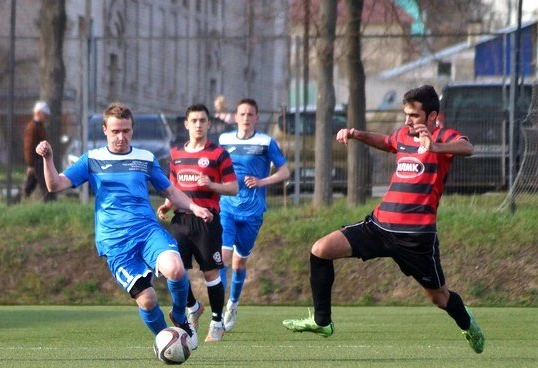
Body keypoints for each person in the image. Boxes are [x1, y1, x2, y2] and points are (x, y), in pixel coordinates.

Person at [282, 85, 485, 354]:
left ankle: (467, 323)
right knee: (320, 250)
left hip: (416, 238)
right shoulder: (403, 134)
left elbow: (467, 147)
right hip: (379, 227)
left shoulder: (443, 136)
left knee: (439, 297)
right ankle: (322, 322)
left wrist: (434, 146)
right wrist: (356, 134)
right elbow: (388, 142)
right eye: (406, 114)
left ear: (432, 116)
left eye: (414, 115)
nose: (407, 121)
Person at [36, 103, 214, 348]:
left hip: (147, 232)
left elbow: (170, 191)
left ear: (132, 129)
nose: (121, 137)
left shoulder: (144, 158)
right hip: (115, 242)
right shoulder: (93, 159)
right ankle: (168, 341)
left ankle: (180, 318)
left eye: (126, 131)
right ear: (105, 130)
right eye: (115, 131)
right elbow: (55, 185)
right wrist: (48, 159)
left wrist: (194, 207)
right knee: (148, 300)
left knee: (176, 269)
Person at [157, 104, 238, 342]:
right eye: (194, 120)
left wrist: (211, 185)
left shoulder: (218, 154)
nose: (198, 125)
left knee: (210, 272)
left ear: (209, 124)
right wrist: (167, 205)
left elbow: (234, 187)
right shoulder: (176, 154)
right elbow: (173, 186)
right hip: (181, 220)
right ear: (186, 124)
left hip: (207, 221)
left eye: (203, 120)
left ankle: (217, 322)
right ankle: (193, 307)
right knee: (174, 270)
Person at [218, 98, 290, 332]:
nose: (246, 118)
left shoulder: (265, 142)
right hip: (227, 207)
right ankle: (217, 314)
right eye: (242, 114)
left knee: (239, 264)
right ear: (235, 117)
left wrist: (261, 182)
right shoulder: (224, 140)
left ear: (256, 118)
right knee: (223, 259)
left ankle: (233, 304)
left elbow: (285, 172)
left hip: (252, 212)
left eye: (250, 115)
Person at [22, 101, 56, 202]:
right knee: (47, 186)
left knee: (29, 187)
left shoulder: (40, 127)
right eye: (45, 115)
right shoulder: (32, 127)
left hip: (41, 161)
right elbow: (28, 146)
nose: (46, 117)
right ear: (39, 113)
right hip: (37, 162)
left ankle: (20, 202)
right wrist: (30, 164)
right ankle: (48, 205)